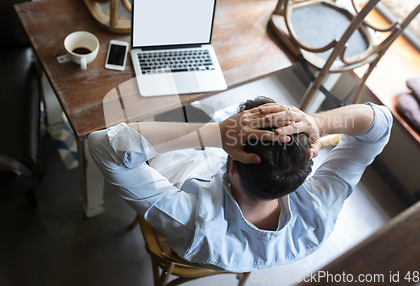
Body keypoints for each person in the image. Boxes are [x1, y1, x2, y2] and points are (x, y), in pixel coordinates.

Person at [88, 97, 392, 272]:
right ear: (301, 172)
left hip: (181, 173)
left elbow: (102, 144)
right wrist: (317, 121)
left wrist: (213, 133)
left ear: (231, 163)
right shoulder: (320, 210)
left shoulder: (192, 221)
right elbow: (380, 124)